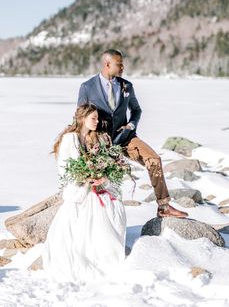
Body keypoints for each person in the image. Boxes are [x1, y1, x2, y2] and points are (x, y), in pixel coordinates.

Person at [77, 49, 188, 218]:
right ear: (107, 65)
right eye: (119, 64)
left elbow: (136, 110)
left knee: (154, 160)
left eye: (122, 64)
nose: (123, 67)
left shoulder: (126, 86)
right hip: (100, 144)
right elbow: (79, 117)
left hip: (125, 138)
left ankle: (164, 206)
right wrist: (84, 144)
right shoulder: (87, 87)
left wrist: (131, 124)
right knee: (102, 184)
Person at [42, 104, 126, 283]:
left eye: (97, 118)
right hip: (79, 190)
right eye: (93, 118)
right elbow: (66, 169)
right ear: (82, 118)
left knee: (114, 208)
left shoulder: (96, 138)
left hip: (95, 186)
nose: (97, 121)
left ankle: (104, 254)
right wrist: (86, 177)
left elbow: (107, 163)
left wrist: (103, 177)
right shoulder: (69, 139)